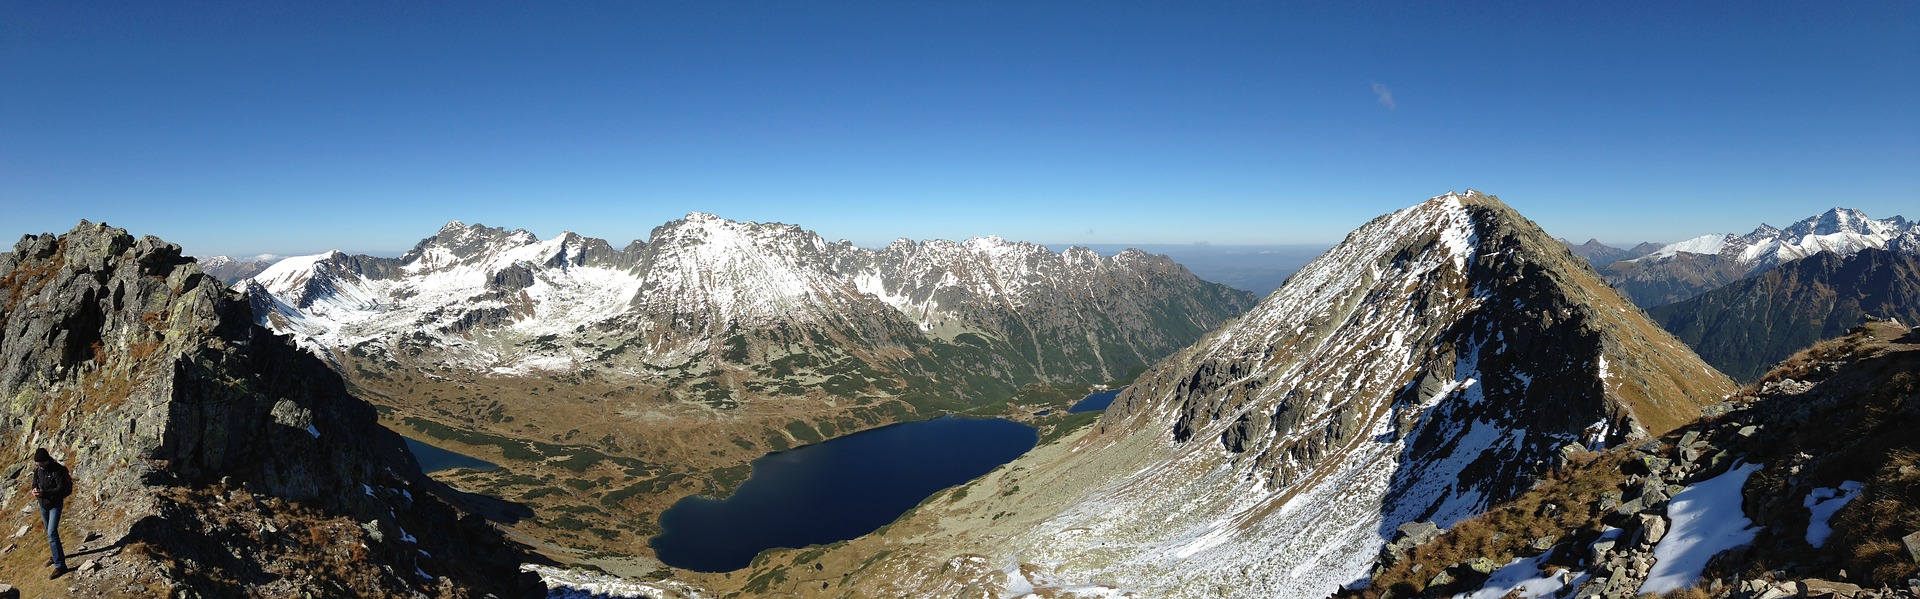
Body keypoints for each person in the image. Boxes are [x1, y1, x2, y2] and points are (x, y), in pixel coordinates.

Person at [31, 448, 71, 578]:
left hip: (55, 505)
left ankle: (61, 566)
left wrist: (45, 493)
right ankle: (56, 555)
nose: (38, 465)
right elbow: (34, 483)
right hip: (43, 505)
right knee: (51, 534)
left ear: (46, 460)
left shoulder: (57, 470)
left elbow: (60, 489)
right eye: (37, 463)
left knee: (51, 532)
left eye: (40, 462)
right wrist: (34, 491)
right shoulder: (38, 470)